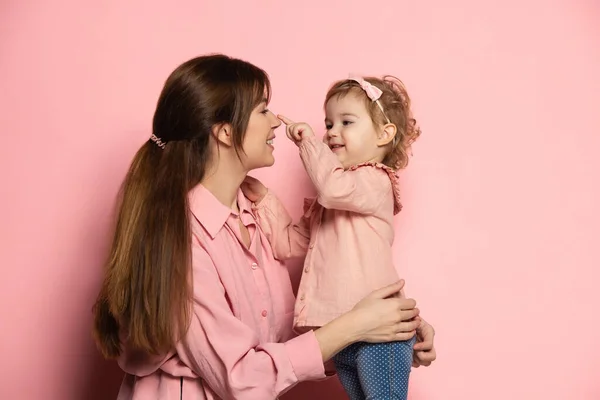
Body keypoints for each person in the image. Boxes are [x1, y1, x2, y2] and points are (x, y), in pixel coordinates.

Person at [92, 54, 436, 400]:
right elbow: (242, 378)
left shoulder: (255, 218)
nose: (275, 121)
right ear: (226, 132)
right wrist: (356, 325)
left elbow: (282, 349)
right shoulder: (184, 238)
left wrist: (394, 333)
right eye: (262, 109)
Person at [240, 75, 423, 399]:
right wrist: (264, 200)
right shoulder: (334, 201)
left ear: (384, 134)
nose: (331, 131)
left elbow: (332, 187)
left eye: (346, 122)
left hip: (380, 333)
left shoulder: (374, 181)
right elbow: (288, 243)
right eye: (328, 123)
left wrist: (308, 142)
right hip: (344, 333)